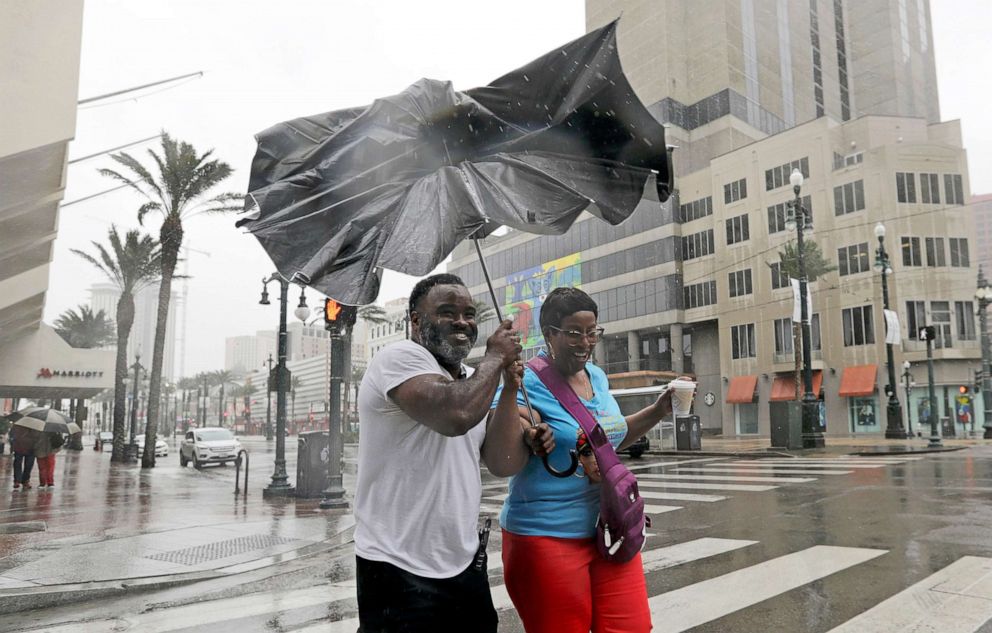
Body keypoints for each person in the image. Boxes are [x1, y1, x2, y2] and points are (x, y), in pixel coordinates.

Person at [353, 273, 553, 633]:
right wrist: (495, 358)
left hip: (462, 563)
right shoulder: (398, 358)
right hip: (397, 564)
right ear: (415, 320)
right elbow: (455, 415)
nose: (462, 322)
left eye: (469, 313)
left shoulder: (471, 379)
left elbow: (502, 463)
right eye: (447, 312)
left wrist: (509, 390)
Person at [489, 287, 682, 633]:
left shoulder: (598, 377)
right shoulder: (523, 379)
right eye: (574, 333)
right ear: (549, 334)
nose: (586, 342)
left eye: (592, 332)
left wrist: (658, 410)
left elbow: (608, 440)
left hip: (609, 528)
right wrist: (524, 423)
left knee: (632, 627)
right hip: (546, 536)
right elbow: (502, 451)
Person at [11, 426, 35, 491]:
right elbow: (12, 433)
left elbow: (37, 437)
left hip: (31, 448)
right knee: (17, 464)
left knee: (28, 465)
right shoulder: (18, 424)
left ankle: (25, 480)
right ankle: (17, 481)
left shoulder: (35, 425)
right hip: (19, 447)